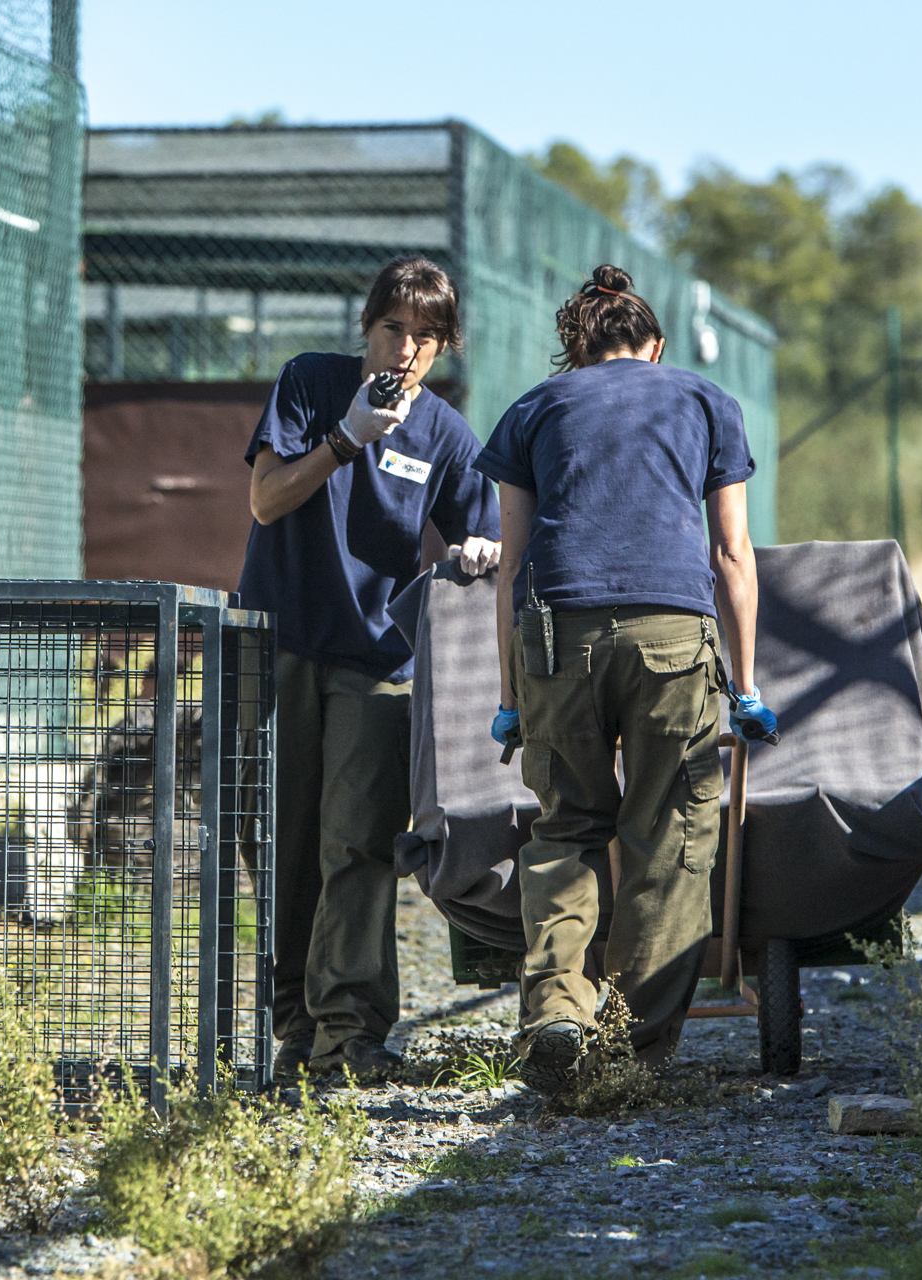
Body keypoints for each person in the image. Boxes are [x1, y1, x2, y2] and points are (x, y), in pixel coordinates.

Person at [474, 264, 778, 1095]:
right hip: (670, 633)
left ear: (576, 348)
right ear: (657, 346)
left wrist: (510, 696)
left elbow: (509, 567)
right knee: (672, 831)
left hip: (553, 632)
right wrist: (745, 688)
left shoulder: (534, 408)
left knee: (566, 825)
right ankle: (626, 1049)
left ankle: (558, 1015)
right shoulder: (703, 400)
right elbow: (731, 554)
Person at [240, 255, 502, 1081]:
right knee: (279, 840)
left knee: (355, 845)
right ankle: (295, 1031)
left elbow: (483, 536)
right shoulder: (312, 383)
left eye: (426, 336)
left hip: (376, 663)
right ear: (367, 328)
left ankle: (349, 1036)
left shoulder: (448, 436)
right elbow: (266, 499)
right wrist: (344, 439)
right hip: (278, 639)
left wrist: (479, 549)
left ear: (445, 347)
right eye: (394, 329)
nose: (406, 350)